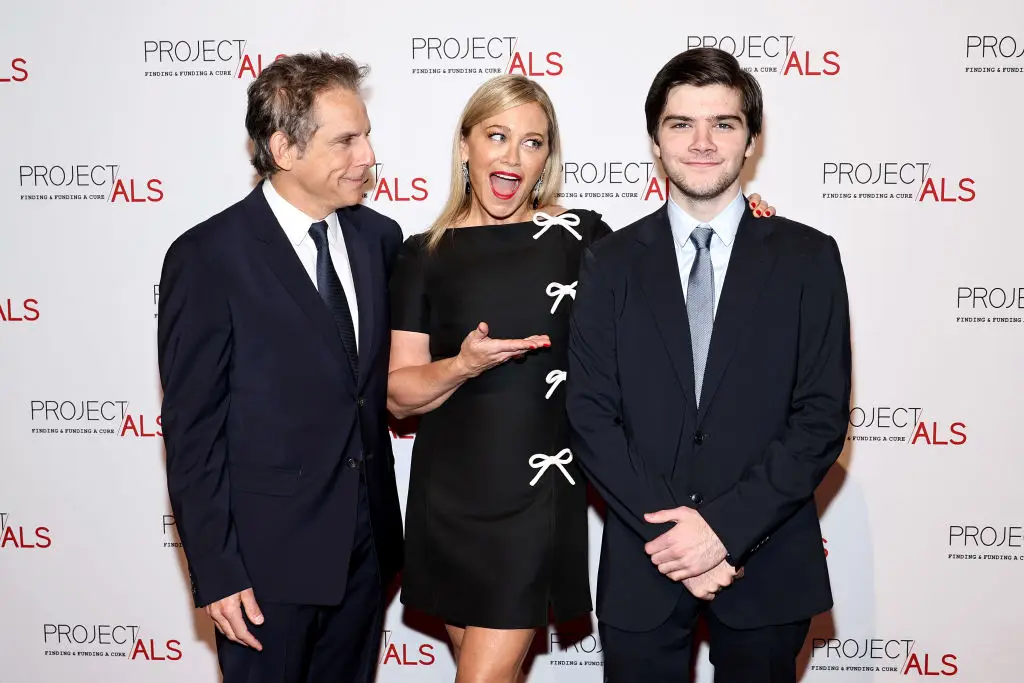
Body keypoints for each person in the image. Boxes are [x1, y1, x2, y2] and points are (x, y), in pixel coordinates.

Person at [386, 74, 775, 682]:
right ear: (466, 145)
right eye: (497, 136)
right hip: (448, 501)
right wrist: (463, 364)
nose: (513, 155)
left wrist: (745, 234)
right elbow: (399, 393)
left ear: (547, 157)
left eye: (533, 142)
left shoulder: (582, 239)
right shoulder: (422, 252)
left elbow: (668, 272)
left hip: (536, 498)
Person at [565, 47, 852, 683]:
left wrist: (721, 531)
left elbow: (820, 420)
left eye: (722, 123)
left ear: (751, 139)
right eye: (680, 124)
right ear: (655, 140)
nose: (702, 142)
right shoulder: (608, 263)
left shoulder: (809, 259)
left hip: (768, 559)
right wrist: (681, 544)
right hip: (646, 561)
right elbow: (589, 415)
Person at [157, 52, 404, 683]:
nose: (368, 156)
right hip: (264, 569)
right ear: (284, 149)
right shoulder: (208, 257)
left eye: (367, 135)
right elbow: (193, 433)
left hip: (366, 553)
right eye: (346, 140)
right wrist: (216, 572)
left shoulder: (381, 239)